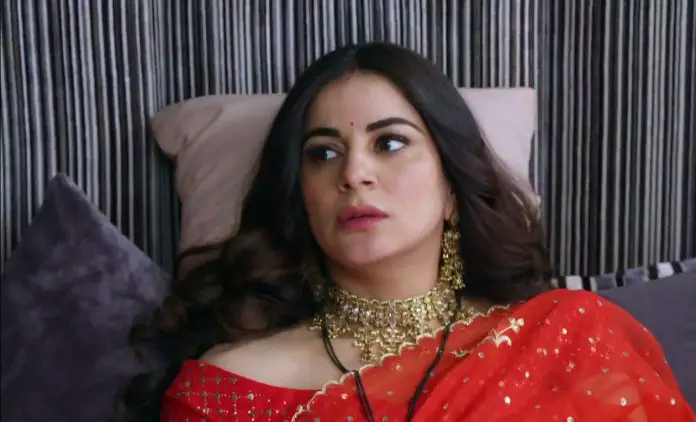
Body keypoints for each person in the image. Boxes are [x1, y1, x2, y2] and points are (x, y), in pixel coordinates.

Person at [115, 43, 695, 422]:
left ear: (452, 187)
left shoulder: (563, 339)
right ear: (300, 199)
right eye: (323, 154)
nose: (354, 173)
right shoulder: (226, 392)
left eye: (389, 143)